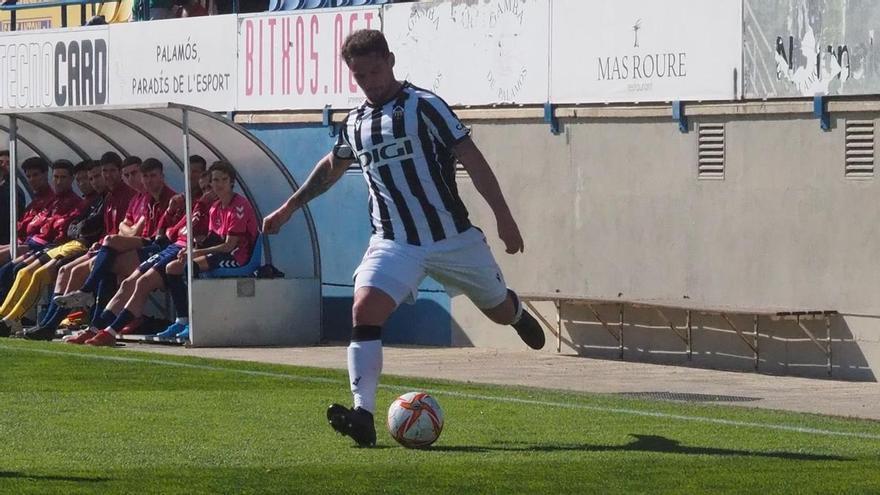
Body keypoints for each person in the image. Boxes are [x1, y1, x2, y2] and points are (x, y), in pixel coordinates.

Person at [261, 29, 545, 447]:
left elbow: (472, 158)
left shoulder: (424, 107)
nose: (369, 81)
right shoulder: (356, 123)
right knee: (364, 309)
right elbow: (333, 167)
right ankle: (363, 414)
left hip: (453, 238)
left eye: (375, 70)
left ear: (391, 61)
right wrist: (289, 207)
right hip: (394, 242)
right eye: (360, 76)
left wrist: (503, 216)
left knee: (498, 311)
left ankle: (516, 312)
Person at [80, 161, 257, 346]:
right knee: (131, 281)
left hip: (232, 256)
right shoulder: (205, 206)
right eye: (212, 182)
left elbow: (227, 245)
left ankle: (191, 321)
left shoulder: (231, 206)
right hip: (180, 248)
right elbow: (173, 232)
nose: (214, 187)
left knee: (165, 274)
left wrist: (194, 250)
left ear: (231, 182)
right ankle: (97, 327)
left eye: (222, 180)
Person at [54, 158, 177, 312]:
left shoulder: (155, 197)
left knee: (106, 261)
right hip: (126, 245)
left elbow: (134, 231)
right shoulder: (122, 197)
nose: (133, 178)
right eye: (128, 175)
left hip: (155, 247)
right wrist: (123, 230)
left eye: (135, 174)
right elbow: (121, 227)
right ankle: (57, 321)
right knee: (67, 268)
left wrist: (124, 230)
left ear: (162, 176)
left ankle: (91, 311)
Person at [0, 162, 105, 338]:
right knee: (23, 272)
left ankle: (27, 321)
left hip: (69, 246)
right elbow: (72, 228)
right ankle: (9, 316)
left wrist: (78, 228)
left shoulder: (83, 202)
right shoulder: (56, 201)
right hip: (58, 245)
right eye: (56, 177)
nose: (87, 183)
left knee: (36, 272)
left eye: (91, 178)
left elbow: (71, 231)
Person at [0, 150, 26, 246]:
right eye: (1, 162)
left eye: (8, 163)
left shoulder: (14, 191)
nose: (3, 165)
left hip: (6, 241)